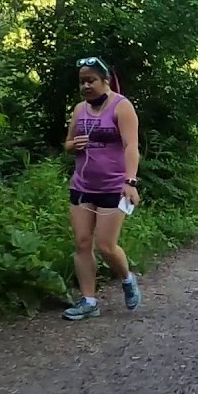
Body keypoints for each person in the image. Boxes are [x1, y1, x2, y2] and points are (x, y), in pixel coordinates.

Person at [61, 56, 142, 321]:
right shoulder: (79, 109)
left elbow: (131, 147)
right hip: (82, 185)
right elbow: (68, 143)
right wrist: (75, 145)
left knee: (106, 246)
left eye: (91, 80)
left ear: (105, 81)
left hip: (113, 187)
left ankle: (127, 279)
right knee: (83, 243)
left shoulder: (122, 106)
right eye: (82, 82)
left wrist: (130, 182)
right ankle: (89, 301)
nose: (85, 86)